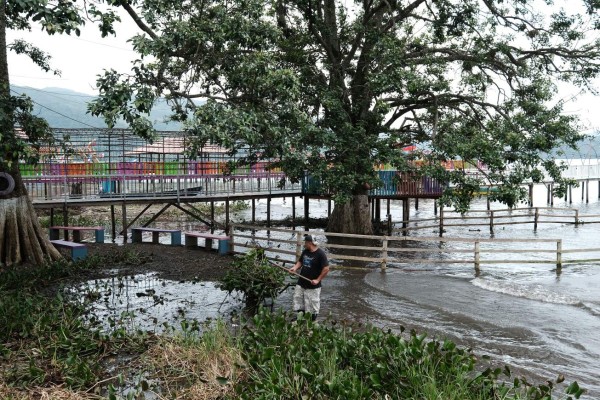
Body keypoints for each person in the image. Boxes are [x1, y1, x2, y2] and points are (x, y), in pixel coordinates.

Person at [289, 234, 330, 321]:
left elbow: (326, 269)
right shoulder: (305, 251)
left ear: (310, 243)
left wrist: (318, 280)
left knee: (312, 304)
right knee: (298, 299)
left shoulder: (320, 254)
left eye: (305, 242)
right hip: (301, 282)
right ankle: (300, 317)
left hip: (313, 285)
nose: (304, 244)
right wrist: (295, 268)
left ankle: (311, 322)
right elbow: (300, 262)